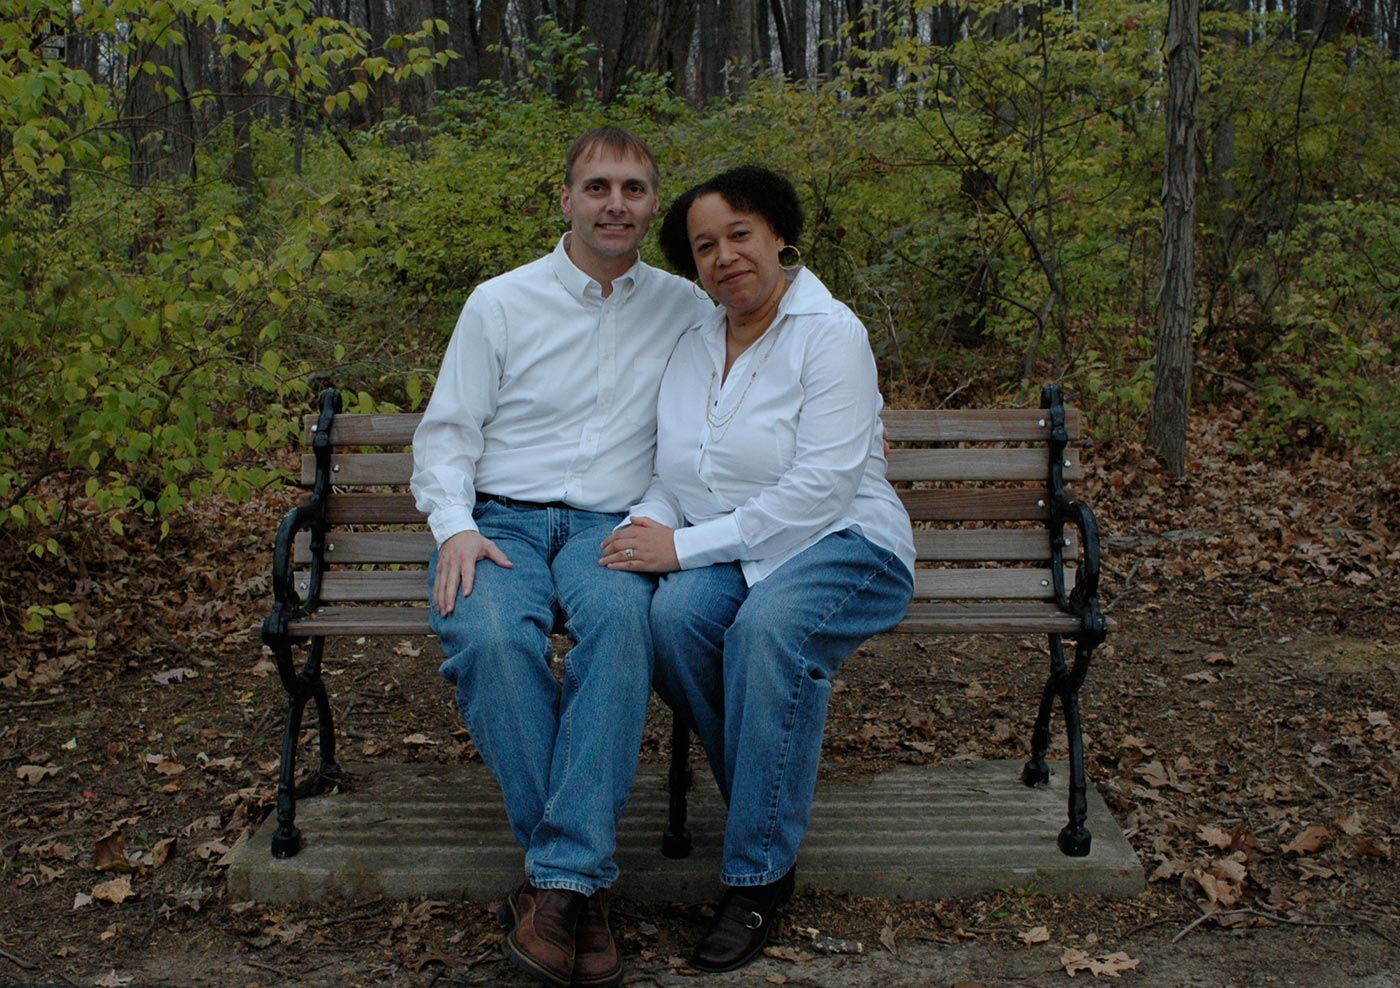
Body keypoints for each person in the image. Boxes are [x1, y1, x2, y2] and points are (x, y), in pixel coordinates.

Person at [410, 126, 712, 988]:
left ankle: (556, 889)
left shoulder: (685, 307)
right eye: (597, 187)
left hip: (612, 527)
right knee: (492, 642)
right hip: (500, 522)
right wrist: (456, 526)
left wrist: (855, 399)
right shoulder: (500, 302)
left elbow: (782, 317)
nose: (615, 204)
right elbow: (449, 434)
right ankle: (579, 884)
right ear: (567, 199)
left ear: (655, 203)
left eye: (634, 189)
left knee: (621, 631)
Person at [599, 166, 916, 973]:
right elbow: (674, 469)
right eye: (704, 246)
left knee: (768, 635)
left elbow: (822, 489)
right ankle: (765, 805)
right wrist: (652, 525)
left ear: (779, 233)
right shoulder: (698, 340)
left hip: (843, 543)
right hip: (732, 543)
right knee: (671, 620)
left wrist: (686, 549)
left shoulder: (829, 331)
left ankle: (757, 877)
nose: (724, 256)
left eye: (740, 233)